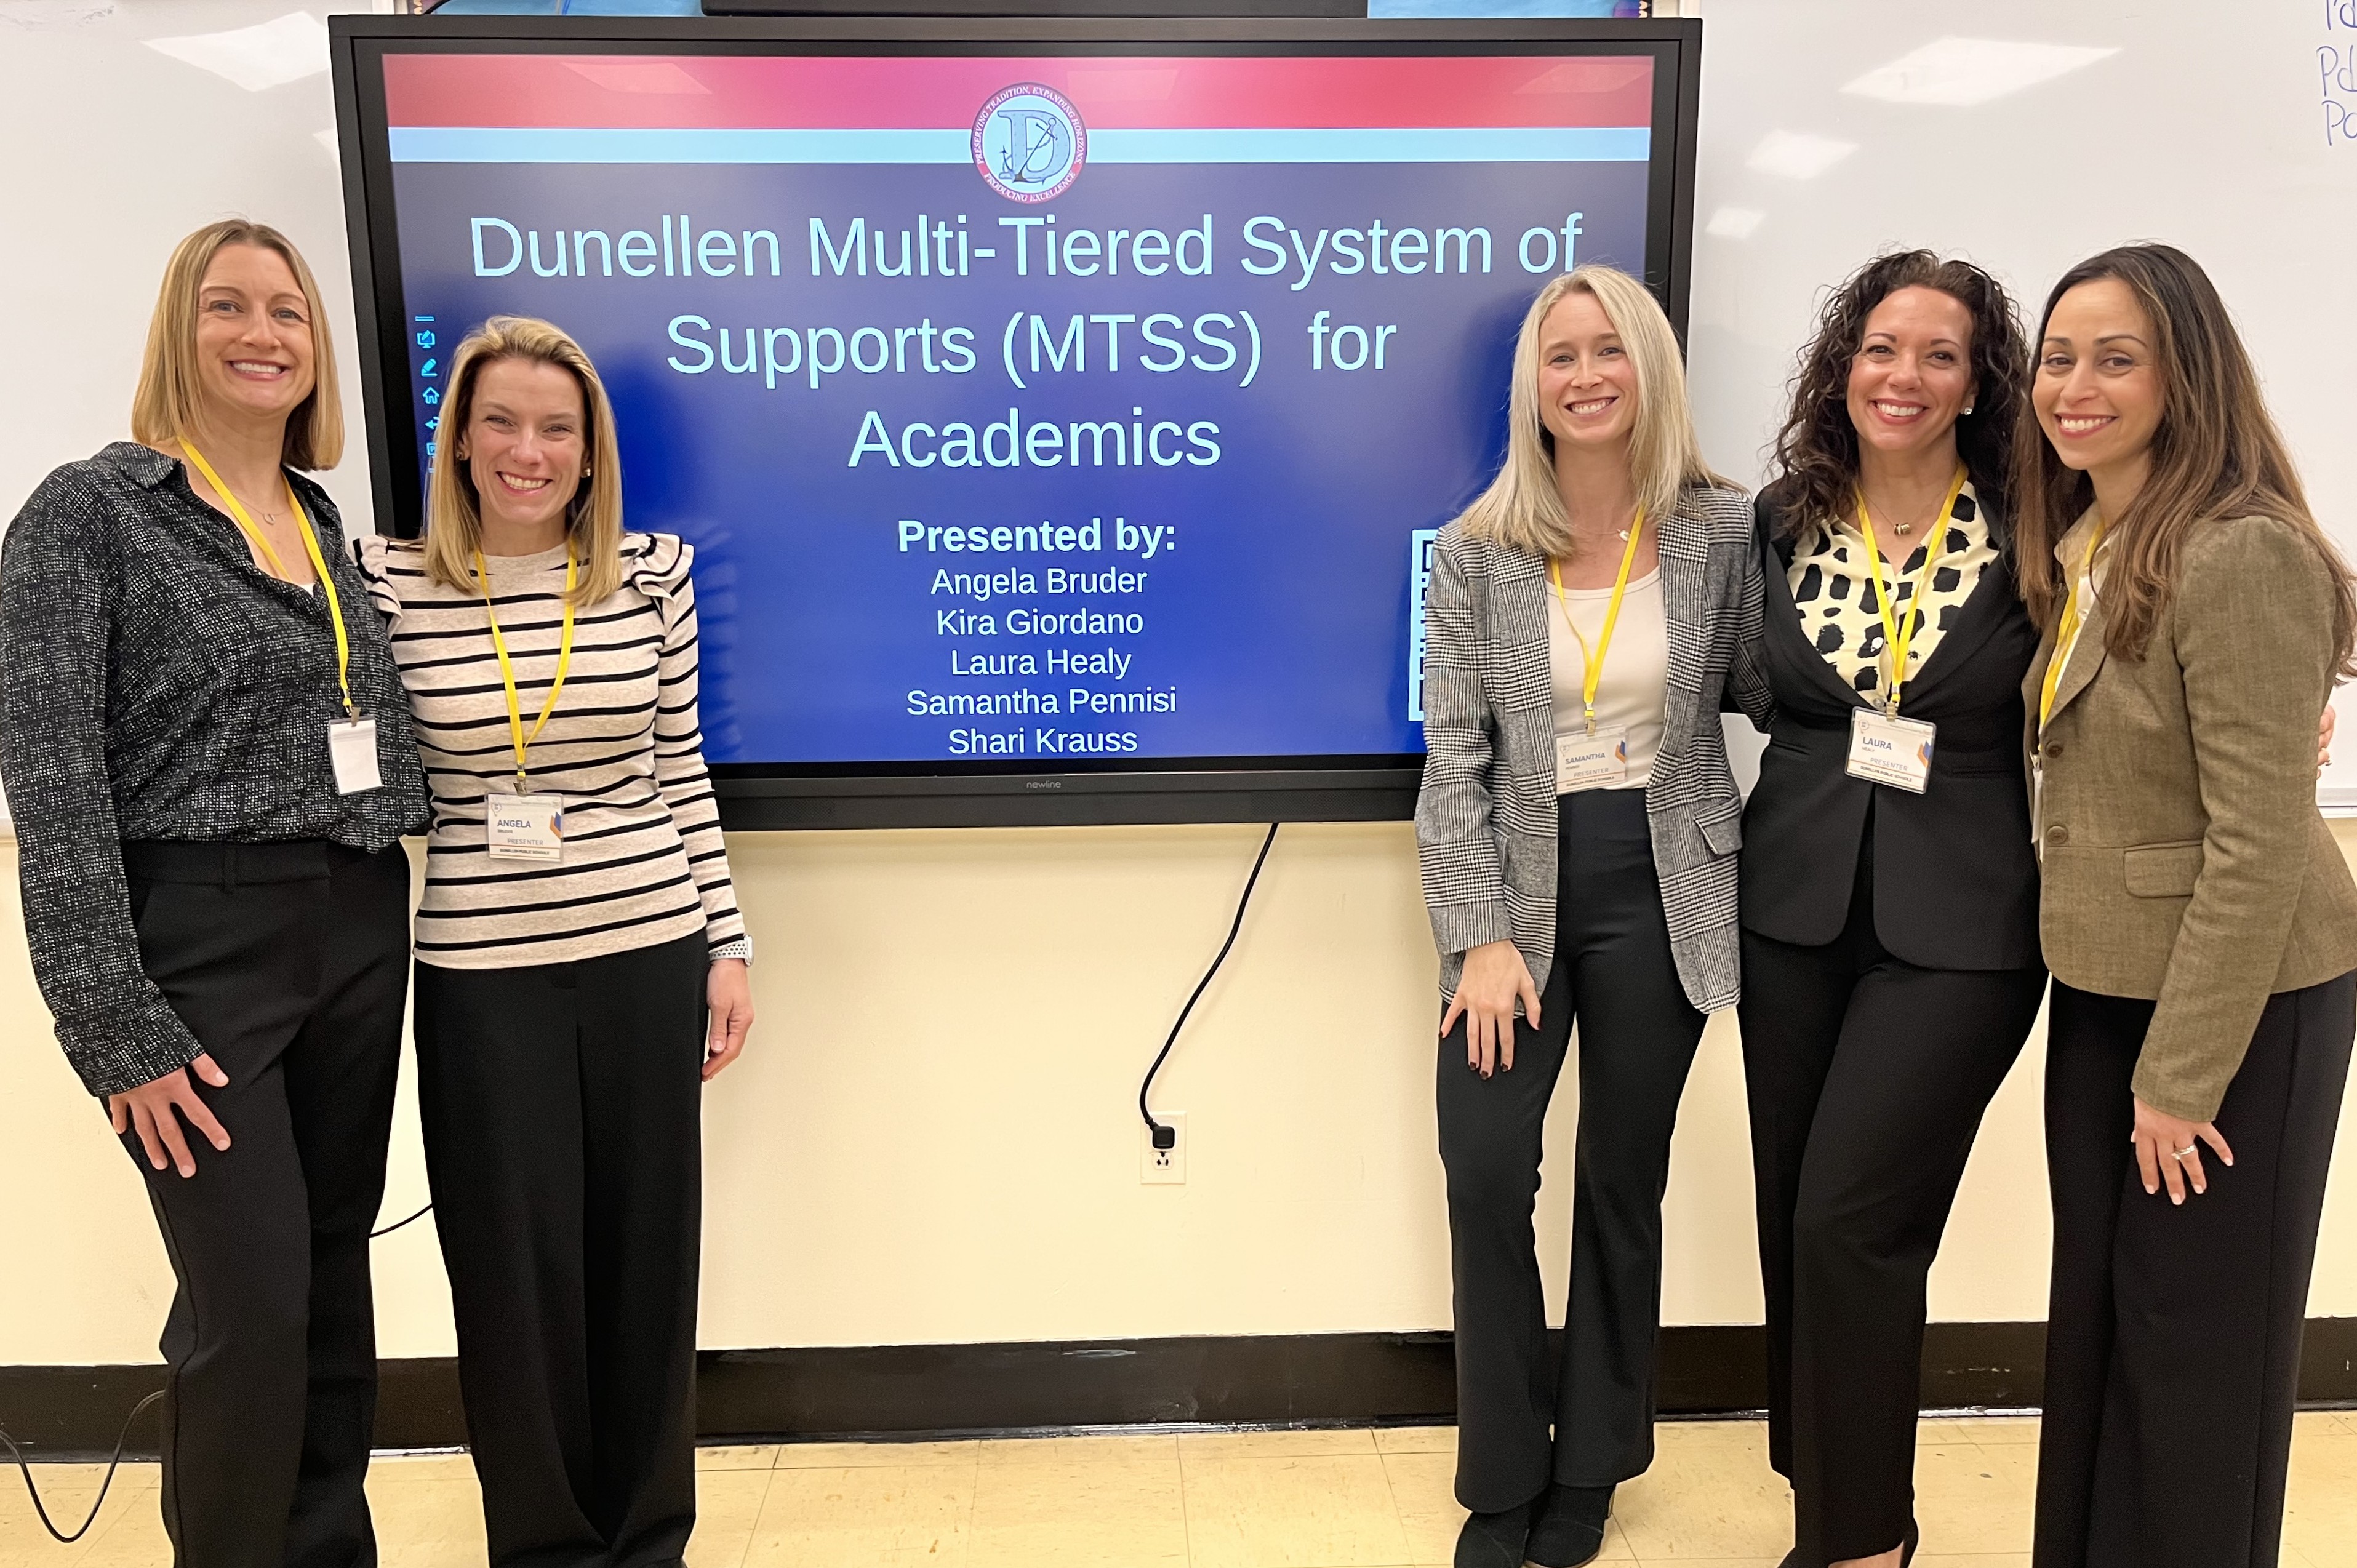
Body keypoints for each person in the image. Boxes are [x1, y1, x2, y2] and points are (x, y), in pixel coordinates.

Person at [0, 220, 429, 1564]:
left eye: (289, 313)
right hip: (201, 937)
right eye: (228, 306)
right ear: (177, 331)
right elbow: (51, 778)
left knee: (329, 1281)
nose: (263, 333)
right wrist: (112, 1027)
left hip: (358, 920)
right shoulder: (93, 512)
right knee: (246, 1302)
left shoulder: (320, 521)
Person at [355, 315, 754, 1568]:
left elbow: (679, 767)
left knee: (645, 1260)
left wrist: (726, 944)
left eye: (556, 427)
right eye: (501, 422)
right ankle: (544, 1545)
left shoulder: (654, 574)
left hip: (648, 949)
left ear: (591, 451)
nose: (528, 451)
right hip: (482, 977)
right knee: (513, 1282)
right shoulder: (385, 580)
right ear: (460, 441)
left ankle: (649, 1538)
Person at [1415, 265, 1769, 1568]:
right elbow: (1452, 759)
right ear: (1533, 386)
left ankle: (1591, 1464)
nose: (1584, 375)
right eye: (1559, 355)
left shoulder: (1722, 531)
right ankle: (1501, 1468)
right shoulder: (1477, 549)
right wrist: (1483, 936)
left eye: (1607, 350)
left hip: (1664, 882)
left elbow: (1777, 687)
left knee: (1624, 1182)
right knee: (1486, 1169)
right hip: (1515, 890)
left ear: (1648, 369)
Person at [2018, 244, 2357, 1568]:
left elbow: (2260, 839)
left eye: (2116, 357)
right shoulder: (2090, 533)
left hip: (2236, 1010)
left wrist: (2182, 1075)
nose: (2075, 385)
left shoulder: (2241, 551)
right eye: (2058, 356)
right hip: (2104, 979)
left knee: (2197, 1347)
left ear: (2186, 372)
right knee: (2108, 1324)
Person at [1735, 252, 2047, 1568]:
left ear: (1979, 380)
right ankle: (1831, 1489)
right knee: (1791, 1213)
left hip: (1965, 922)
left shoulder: (2043, 518)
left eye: (1936, 352)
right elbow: (1742, 685)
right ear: (1841, 365)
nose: (1901, 375)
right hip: (1792, 904)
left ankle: (1863, 1540)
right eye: (1878, 346)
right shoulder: (1779, 516)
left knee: (1849, 1217)